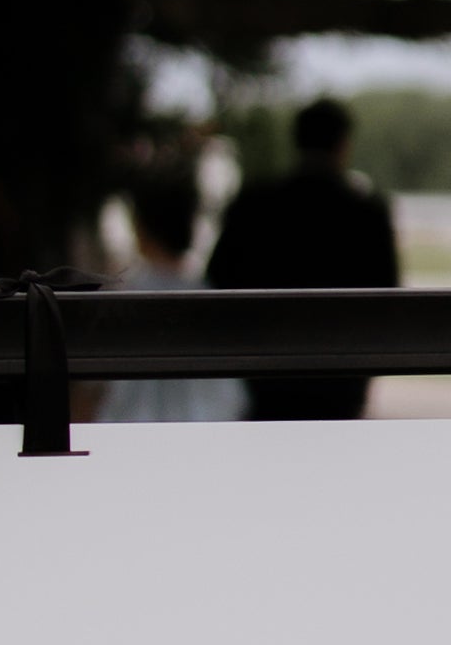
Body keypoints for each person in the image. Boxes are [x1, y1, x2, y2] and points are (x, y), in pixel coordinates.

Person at [204, 92, 398, 420]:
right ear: (343, 145)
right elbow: (386, 293)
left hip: (265, 373)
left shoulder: (255, 204)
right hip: (341, 378)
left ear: (296, 141)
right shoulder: (367, 213)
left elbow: (218, 277)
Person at [97, 162, 245, 424]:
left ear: (140, 228)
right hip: (204, 431)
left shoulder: (126, 297)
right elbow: (231, 394)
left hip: (130, 434)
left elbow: (98, 390)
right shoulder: (209, 296)